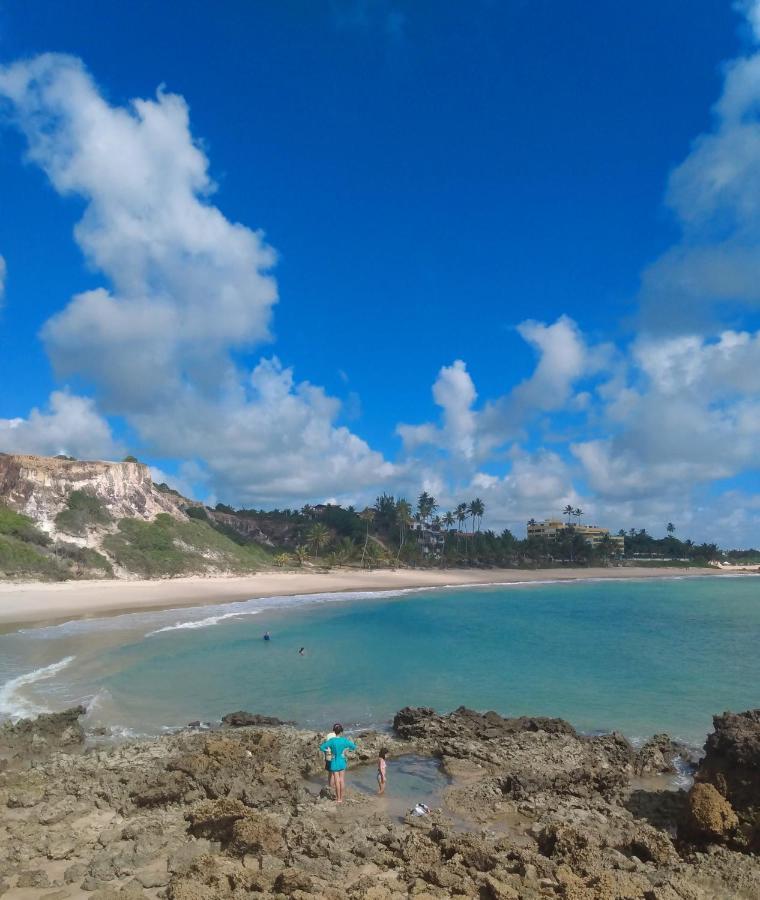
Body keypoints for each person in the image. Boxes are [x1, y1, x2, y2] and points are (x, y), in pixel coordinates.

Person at [319, 723, 356, 803]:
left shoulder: (332, 741)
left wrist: (328, 751)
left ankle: (338, 799)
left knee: (336, 780)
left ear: (334, 732)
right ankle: (341, 798)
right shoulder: (344, 740)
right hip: (342, 760)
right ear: (341, 732)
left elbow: (321, 747)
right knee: (342, 780)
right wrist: (345, 750)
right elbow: (353, 747)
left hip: (334, 761)